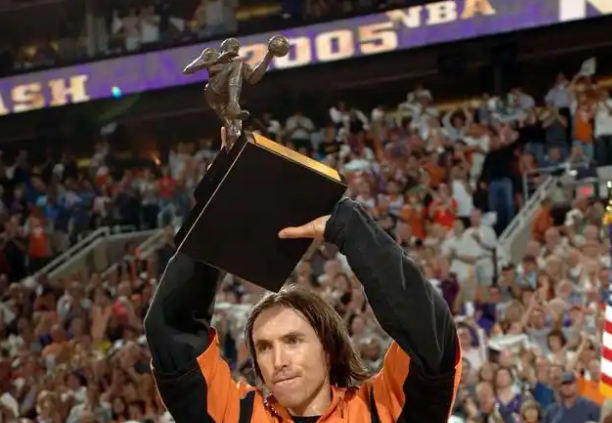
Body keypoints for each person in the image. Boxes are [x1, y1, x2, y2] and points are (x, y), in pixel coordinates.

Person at [144, 128, 461, 423]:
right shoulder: (238, 416)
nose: (278, 360)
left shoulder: (381, 409)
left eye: (293, 340)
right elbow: (171, 329)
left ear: (328, 348)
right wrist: (222, 211)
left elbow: (430, 337)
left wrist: (348, 226)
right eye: (264, 347)